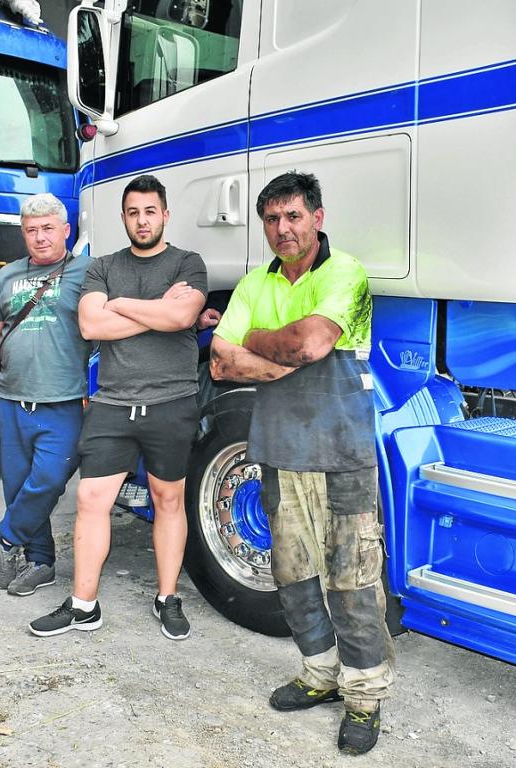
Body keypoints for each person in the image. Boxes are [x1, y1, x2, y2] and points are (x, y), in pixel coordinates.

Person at [209, 171, 391, 755]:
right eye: (271, 219)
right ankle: (319, 676)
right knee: (292, 577)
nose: (282, 229)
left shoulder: (346, 273)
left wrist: (258, 341)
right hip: (281, 451)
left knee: (355, 579)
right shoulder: (251, 283)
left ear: (317, 217)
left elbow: (311, 344)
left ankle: (363, 696)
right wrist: (281, 352)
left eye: (293, 216)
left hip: (343, 452)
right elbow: (219, 362)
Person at [29, 174, 206, 641]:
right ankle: (84, 605)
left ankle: (168, 596)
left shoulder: (189, 262)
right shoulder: (102, 266)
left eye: (150, 211)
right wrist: (152, 311)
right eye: (133, 212)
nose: (142, 220)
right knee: (91, 500)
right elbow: (90, 325)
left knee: (169, 499)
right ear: (123, 217)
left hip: (171, 401)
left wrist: (123, 308)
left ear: (165, 215)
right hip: (112, 401)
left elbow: (182, 317)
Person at [0, 194, 90, 597]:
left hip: (63, 400)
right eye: (31, 230)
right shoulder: (7, 277)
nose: (39, 238)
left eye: (48, 229)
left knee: (50, 480)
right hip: (10, 399)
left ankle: (4, 537)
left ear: (66, 230)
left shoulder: (88, 272)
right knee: (18, 487)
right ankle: (40, 562)